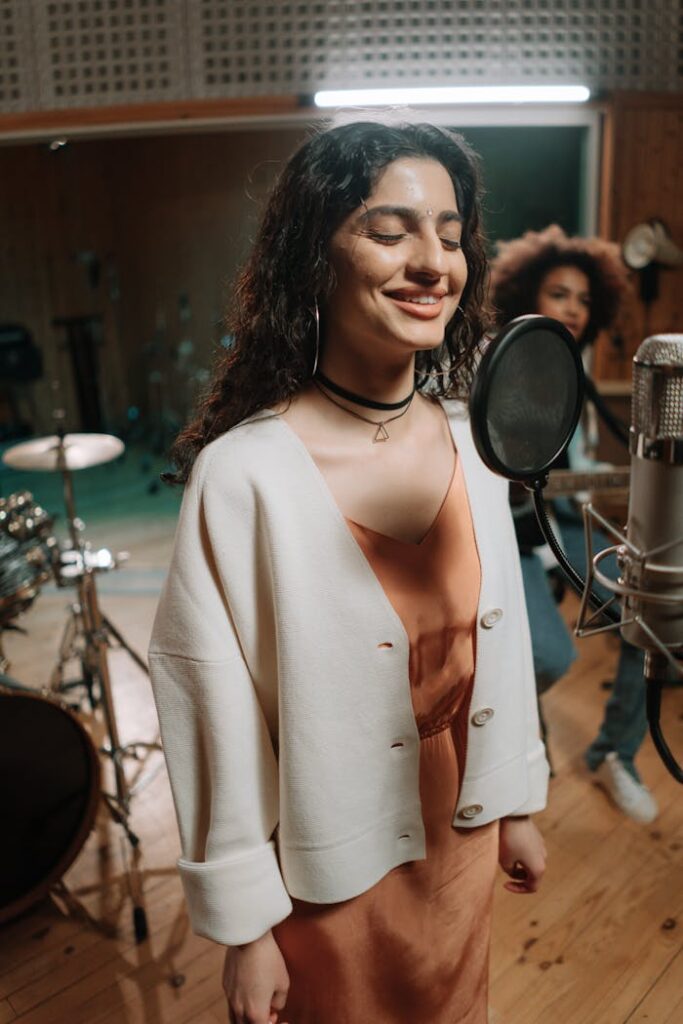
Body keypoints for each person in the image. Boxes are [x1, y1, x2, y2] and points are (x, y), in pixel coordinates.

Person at [149, 121, 549, 1024]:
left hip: (458, 827)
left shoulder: (473, 442)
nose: (431, 262)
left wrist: (515, 802)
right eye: (389, 230)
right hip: (325, 858)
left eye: (450, 235)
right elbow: (211, 701)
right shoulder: (244, 475)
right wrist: (247, 926)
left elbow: (502, 641)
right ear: (313, 255)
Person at [490, 224, 658, 824]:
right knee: (548, 658)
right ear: (528, 295)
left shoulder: (571, 369)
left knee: (650, 618)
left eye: (584, 300)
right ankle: (504, 734)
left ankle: (614, 752)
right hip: (509, 533)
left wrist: (622, 480)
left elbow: (572, 465)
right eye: (559, 294)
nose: (574, 309)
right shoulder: (497, 364)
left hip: (560, 518)